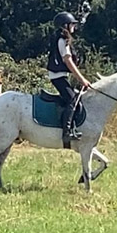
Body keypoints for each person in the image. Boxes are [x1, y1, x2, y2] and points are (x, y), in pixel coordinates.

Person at [47, 11, 91, 143]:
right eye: (72, 24)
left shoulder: (61, 38)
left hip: (60, 76)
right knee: (72, 100)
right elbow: (68, 61)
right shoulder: (62, 40)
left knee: (73, 98)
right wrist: (81, 79)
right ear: (65, 25)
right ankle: (66, 132)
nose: (74, 27)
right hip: (58, 76)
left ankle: (71, 128)